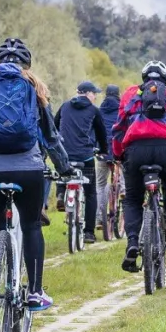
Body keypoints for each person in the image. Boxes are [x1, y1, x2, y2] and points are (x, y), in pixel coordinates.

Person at [0, 38, 73, 312]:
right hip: (28, 170)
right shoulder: (35, 91)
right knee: (32, 225)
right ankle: (35, 292)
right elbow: (50, 137)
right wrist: (65, 169)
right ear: (27, 66)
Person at [112, 61, 166, 273]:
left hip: (135, 150)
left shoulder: (131, 94)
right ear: (165, 79)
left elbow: (119, 128)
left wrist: (117, 154)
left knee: (132, 198)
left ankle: (133, 242)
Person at [54, 81, 109, 242]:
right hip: (85, 157)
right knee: (90, 192)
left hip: (65, 155)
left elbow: (54, 127)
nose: (96, 96)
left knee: (63, 170)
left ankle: (61, 193)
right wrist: (104, 150)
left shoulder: (64, 106)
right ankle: (89, 233)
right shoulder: (94, 110)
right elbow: (101, 134)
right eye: (94, 93)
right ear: (87, 93)